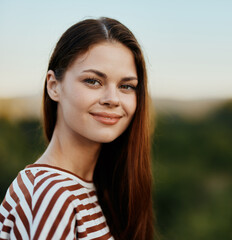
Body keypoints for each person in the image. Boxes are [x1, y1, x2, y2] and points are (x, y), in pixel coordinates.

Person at [0, 17, 154, 240]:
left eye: (126, 86)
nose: (113, 99)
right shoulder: (49, 194)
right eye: (93, 81)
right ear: (54, 86)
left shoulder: (92, 189)